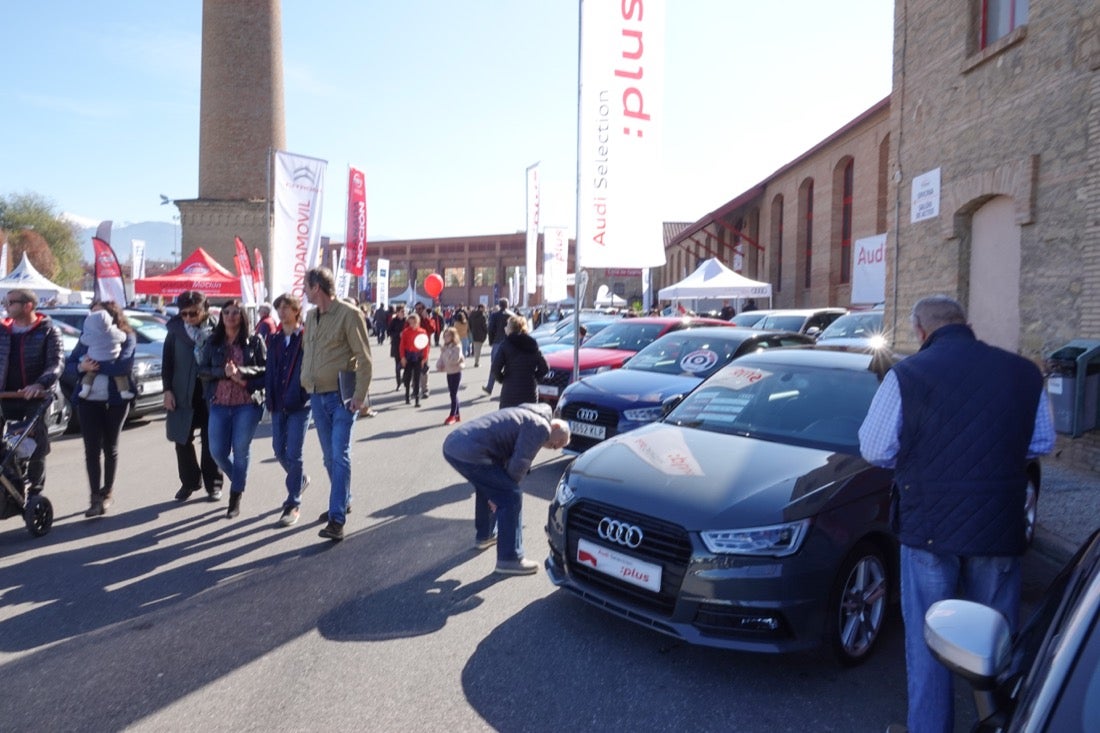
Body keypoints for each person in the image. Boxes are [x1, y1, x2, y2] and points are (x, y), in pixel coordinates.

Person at [858, 295, 1055, 733]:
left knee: (930, 641)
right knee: (995, 642)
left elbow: (874, 448)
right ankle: (1007, 722)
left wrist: (925, 460)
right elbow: (1041, 442)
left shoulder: (907, 374)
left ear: (921, 331)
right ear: (966, 323)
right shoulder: (1024, 372)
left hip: (928, 525)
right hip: (999, 526)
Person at [442, 402, 570, 575]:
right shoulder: (540, 427)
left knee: (490, 486)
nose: (552, 448)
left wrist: (496, 494)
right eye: (557, 444)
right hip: (469, 451)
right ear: (554, 426)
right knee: (511, 496)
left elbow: (504, 457)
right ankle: (510, 558)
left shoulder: (525, 414)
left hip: (455, 445)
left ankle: (485, 536)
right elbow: (520, 464)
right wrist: (503, 493)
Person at [302, 267, 373, 542]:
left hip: (341, 397)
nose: (304, 291)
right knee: (328, 457)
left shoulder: (349, 314)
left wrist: (359, 395)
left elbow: (364, 358)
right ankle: (343, 500)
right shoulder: (310, 316)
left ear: (316, 287)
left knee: (339, 454)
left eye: (306, 286)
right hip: (316, 396)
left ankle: (337, 520)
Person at [65, 301, 136, 517]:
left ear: (111, 316)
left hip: (116, 400)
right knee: (91, 450)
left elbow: (122, 366)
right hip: (89, 401)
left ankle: (107, 492)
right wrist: (80, 367)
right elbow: (69, 365)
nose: (92, 318)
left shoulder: (126, 337)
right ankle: (95, 498)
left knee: (110, 447)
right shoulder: (87, 337)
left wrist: (92, 364)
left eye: (97, 314)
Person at [197, 299, 266, 519]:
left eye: (236, 312)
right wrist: (223, 372)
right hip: (219, 403)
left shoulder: (254, 341)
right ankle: (239, 480)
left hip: (246, 403)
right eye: (226, 312)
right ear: (221, 316)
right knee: (217, 452)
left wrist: (241, 372)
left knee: (240, 450)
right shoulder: (213, 341)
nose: (230, 316)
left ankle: (235, 496)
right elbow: (203, 371)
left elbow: (265, 369)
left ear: (242, 316)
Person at [0, 289, 65, 496]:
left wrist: (39, 384)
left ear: (27, 306)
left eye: (10, 302)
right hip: (5, 395)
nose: (6, 306)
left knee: (37, 437)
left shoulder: (48, 331)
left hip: (35, 397)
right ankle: (8, 478)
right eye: (5, 302)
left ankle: (36, 486)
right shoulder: (3, 331)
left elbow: (56, 364)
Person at [163, 291, 224, 502]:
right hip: (181, 394)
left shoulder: (218, 330)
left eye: (193, 313)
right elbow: (167, 363)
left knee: (212, 442)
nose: (188, 318)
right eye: (184, 314)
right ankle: (189, 482)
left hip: (211, 394)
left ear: (204, 309)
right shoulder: (174, 332)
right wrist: (167, 390)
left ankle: (214, 484)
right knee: (181, 439)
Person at [265, 293, 311, 526]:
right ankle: (299, 479)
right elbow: (270, 371)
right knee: (278, 450)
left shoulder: (304, 337)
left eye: (287, 307)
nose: (282, 312)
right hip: (277, 403)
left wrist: (304, 392)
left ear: (296, 311)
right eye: (279, 308)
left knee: (294, 453)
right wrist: (268, 398)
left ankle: (293, 503)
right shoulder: (273, 339)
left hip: (299, 404)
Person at [490, 314, 548, 409]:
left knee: (508, 419)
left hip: (510, 389)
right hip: (529, 389)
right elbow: (545, 367)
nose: (505, 328)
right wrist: (535, 377)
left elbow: (495, 368)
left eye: (507, 326)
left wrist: (502, 379)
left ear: (511, 329)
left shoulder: (506, 344)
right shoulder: (532, 344)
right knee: (528, 419)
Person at [75, 308, 134, 400]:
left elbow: (124, 366)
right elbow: (122, 337)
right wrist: (81, 367)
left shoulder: (90, 336)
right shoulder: (115, 333)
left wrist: (97, 367)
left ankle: (85, 390)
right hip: (112, 358)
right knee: (120, 378)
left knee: (90, 375)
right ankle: (124, 392)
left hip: (94, 360)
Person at [481, 298, 513, 395]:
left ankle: (490, 387)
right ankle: (507, 389)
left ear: (499, 305)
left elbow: (490, 329)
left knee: (495, 365)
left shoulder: (495, 315)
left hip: (497, 342)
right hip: (510, 343)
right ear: (507, 305)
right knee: (509, 366)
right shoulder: (512, 315)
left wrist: (491, 341)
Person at [399, 313, 430, 407]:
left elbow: (426, 346)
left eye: (414, 322)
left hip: (418, 357)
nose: (412, 325)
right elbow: (402, 346)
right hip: (408, 357)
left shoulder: (422, 332)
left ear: (418, 322)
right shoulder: (405, 332)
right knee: (407, 377)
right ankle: (407, 395)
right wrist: (402, 357)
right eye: (410, 323)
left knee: (417, 378)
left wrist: (424, 358)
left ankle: (417, 398)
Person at [436, 325, 465, 424]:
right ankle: (457, 414)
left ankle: (452, 415)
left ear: (453, 337)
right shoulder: (446, 347)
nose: (445, 338)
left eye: (448, 336)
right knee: (452, 393)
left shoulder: (457, 347)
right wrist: (439, 365)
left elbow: (454, 359)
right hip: (449, 372)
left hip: (456, 372)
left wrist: (446, 351)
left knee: (453, 394)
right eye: (445, 336)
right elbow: (442, 358)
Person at [387, 304, 407, 390]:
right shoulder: (393, 321)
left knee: (408, 365)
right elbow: (389, 332)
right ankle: (398, 383)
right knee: (398, 366)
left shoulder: (407, 321)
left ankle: (404, 379)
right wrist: (398, 334)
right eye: (402, 311)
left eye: (405, 311)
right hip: (396, 346)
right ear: (398, 312)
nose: (404, 313)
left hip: (407, 347)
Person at [468, 303, 488, 367]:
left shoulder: (472, 315)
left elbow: (469, 323)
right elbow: (484, 326)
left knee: (476, 348)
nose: (485, 309)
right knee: (478, 349)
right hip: (481, 334)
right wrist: (487, 332)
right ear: (481, 308)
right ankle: (476, 362)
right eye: (484, 308)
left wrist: (472, 330)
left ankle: (476, 361)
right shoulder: (482, 316)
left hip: (474, 333)